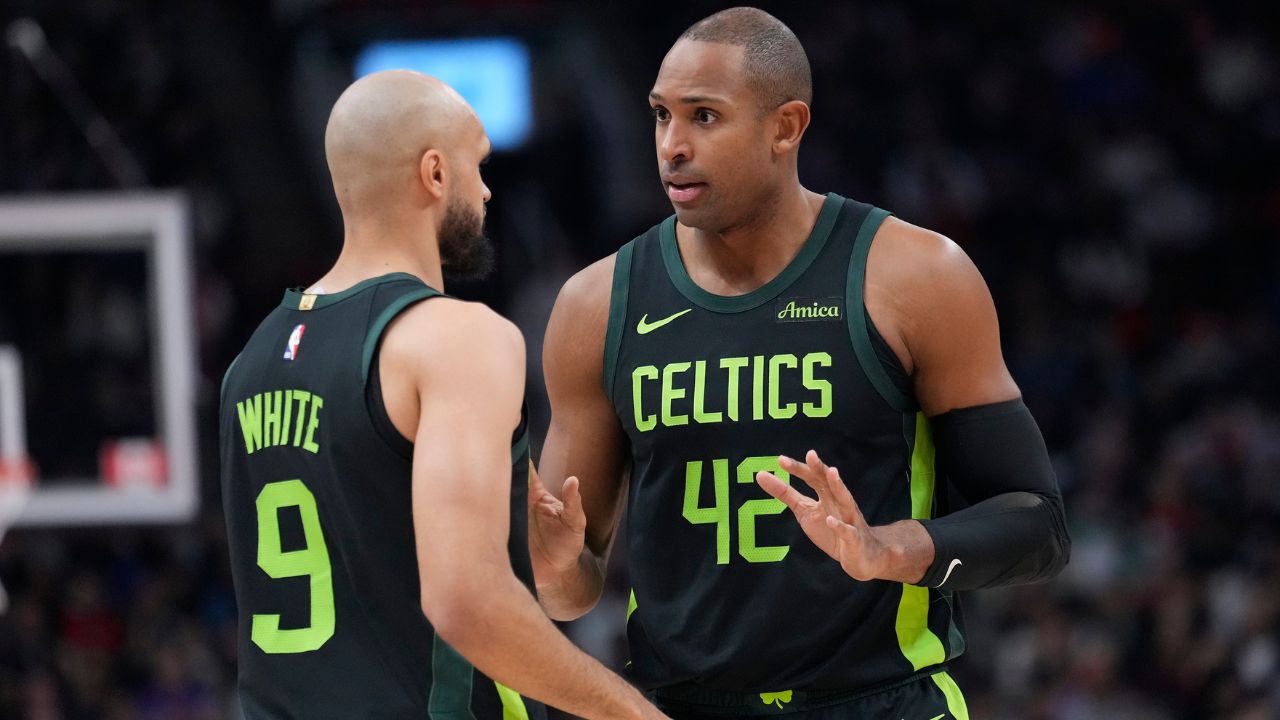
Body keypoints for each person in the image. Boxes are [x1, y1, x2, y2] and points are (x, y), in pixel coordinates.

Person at [529, 8, 1070, 719]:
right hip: (684, 705)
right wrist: (555, 557)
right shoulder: (595, 304)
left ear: (786, 127)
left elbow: (1039, 527)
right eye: (661, 116)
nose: (672, 146)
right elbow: (569, 589)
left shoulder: (915, 276)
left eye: (704, 117)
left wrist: (890, 550)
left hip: (881, 701)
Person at [220, 70, 665, 720]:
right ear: (434, 173)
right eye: (477, 165)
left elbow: (379, 573)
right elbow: (468, 606)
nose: (487, 190)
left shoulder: (252, 361)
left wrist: (534, 559)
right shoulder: (458, 338)